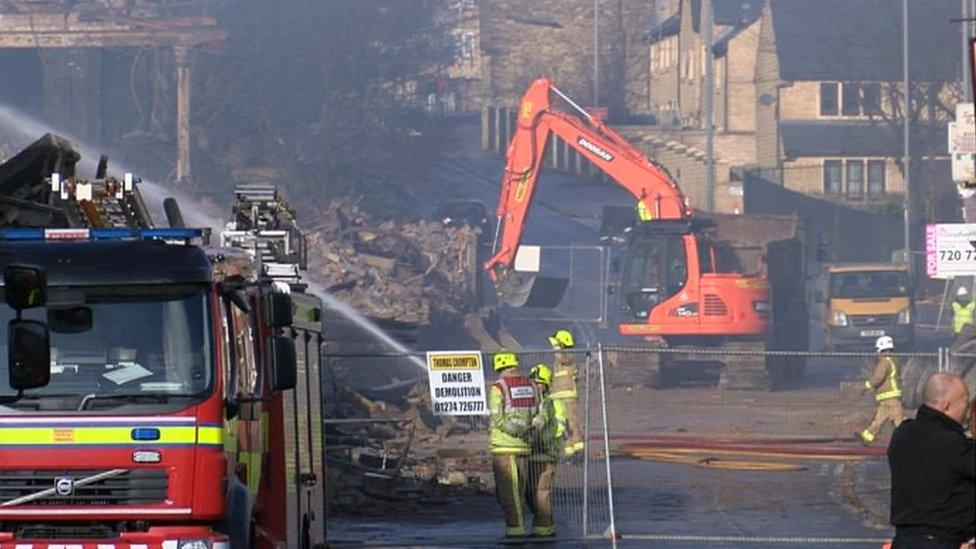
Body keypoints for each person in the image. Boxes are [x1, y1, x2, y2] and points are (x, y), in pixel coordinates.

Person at [887, 372, 974, 549]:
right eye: (965, 404)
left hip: (904, 539)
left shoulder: (903, 434)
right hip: (939, 541)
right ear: (946, 406)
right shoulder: (952, 444)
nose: (967, 411)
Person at [488, 349, 541, 538]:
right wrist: (528, 428)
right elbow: (540, 414)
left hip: (504, 447)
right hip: (525, 447)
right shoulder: (532, 385)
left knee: (508, 492)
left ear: (500, 366)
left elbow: (497, 417)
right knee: (519, 490)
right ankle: (521, 527)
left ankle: (515, 531)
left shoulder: (498, 387)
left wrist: (514, 430)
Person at [527, 363, 568, 538]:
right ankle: (543, 523)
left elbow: (559, 429)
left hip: (545, 455)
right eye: (533, 383)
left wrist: (543, 438)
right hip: (530, 455)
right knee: (529, 493)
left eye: (539, 383)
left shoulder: (552, 403)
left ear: (546, 385)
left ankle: (544, 529)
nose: (535, 386)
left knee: (541, 493)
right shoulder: (530, 403)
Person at [858, 335, 903, 445]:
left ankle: (911, 440)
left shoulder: (884, 362)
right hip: (889, 396)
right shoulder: (893, 360)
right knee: (879, 420)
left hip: (889, 396)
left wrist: (865, 386)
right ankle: (866, 438)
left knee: (898, 420)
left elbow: (877, 378)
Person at [548, 329, 583, 456]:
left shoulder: (569, 356)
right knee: (563, 427)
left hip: (568, 398)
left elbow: (562, 358)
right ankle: (569, 452)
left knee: (573, 425)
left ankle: (579, 451)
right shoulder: (557, 361)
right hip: (557, 399)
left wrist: (556, 345)